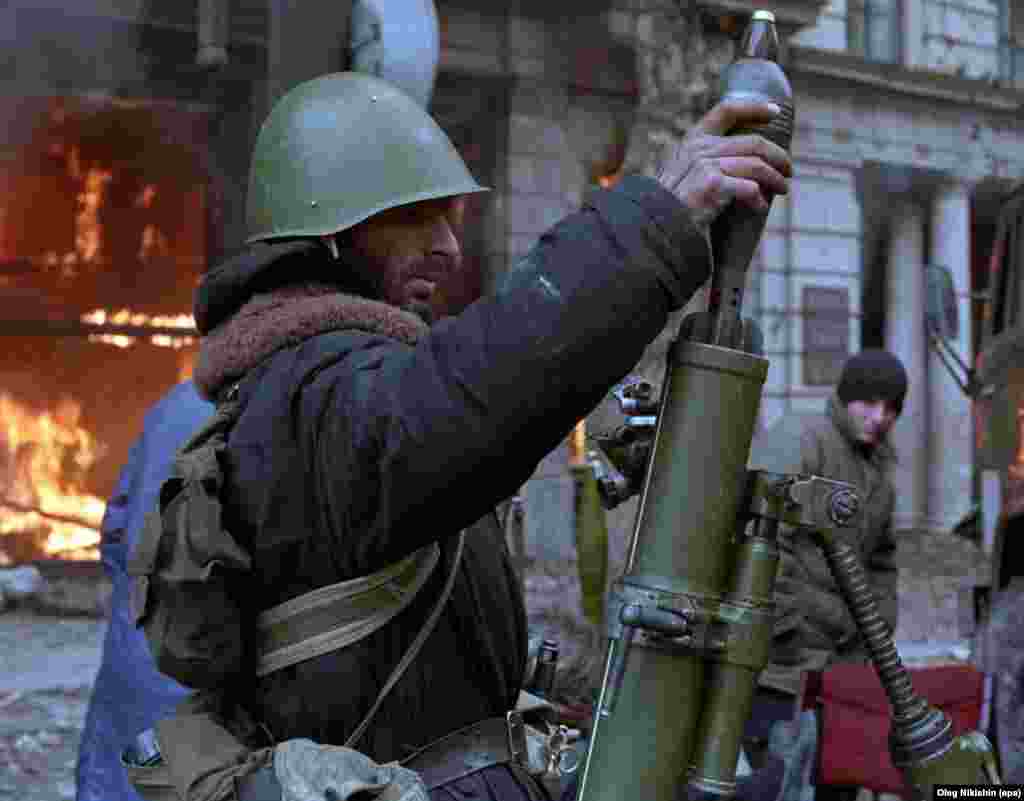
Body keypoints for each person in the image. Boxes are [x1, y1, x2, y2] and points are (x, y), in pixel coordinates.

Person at [139, 71, 792, 801]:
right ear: (328, 231)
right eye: (414, 217)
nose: (449, 247)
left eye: (450, 218)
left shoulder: (319, 383)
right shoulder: (313, 391)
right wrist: (658, 218)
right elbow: (471, 391)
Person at [744, 348, 909, 801]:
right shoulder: (802, 438)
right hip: (779, 668)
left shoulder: (879, 473)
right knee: (777, 785)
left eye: (892, 408)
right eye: (870, 403)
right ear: (845, 398)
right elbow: (761, 533)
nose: (880, 417)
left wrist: (875, 630)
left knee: (835, 784)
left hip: (839, 671)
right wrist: (783, 627)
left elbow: (882, 560)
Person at [76, 380, 213, 801]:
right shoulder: (336, 398)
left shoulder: (180, 401)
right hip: (229, 684)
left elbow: (117, 529)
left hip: (142, 654)